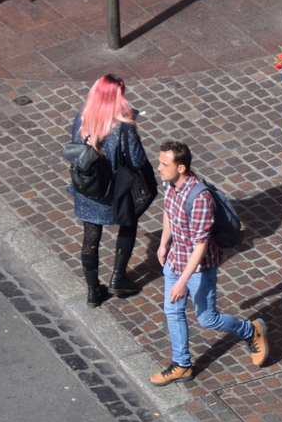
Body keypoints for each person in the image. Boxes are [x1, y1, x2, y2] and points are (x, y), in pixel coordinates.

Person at [148, 140, 268, 384]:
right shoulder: (169, 184)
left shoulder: (200, 198)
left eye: (164, 164)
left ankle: (250, 330)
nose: (159, 168)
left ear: (181, 168)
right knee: (173, 311)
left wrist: (182, 281)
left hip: (199, 268)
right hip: (175, 259)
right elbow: (168, 211)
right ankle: (182, 364)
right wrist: (163, 243)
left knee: (207, 319)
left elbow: (200, 245)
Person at [69, 74, 151, 307]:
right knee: (128, 223)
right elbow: (137, 161)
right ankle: (118, 277)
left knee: (90, 238)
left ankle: (93, 290)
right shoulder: (123, 127)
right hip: (115, 193)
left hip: (89, 189)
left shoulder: (81, 119)